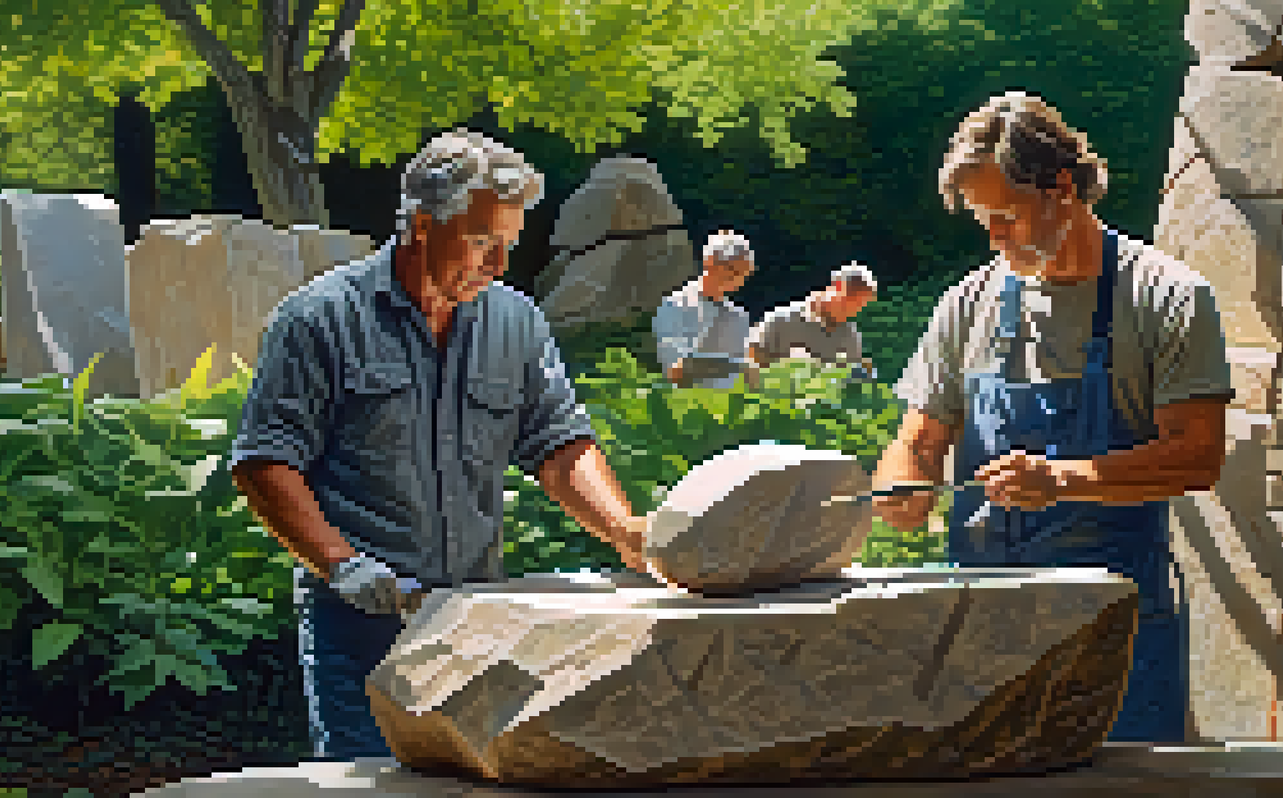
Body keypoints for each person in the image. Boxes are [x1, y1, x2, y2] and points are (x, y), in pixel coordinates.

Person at [229, 130, 651, 760]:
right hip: (362, 623)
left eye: (508, 243)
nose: (500, 264)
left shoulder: (517, 321)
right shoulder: (318, 319)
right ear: (422, 226)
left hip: (476, 616)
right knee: (371, 784)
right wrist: (343, 566)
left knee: (472, 779)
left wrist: (626, 533)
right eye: (483, 242)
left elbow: (558, 442)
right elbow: (267, 460)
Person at [870, 92, 1233, 743]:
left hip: (1115, 634)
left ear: (1062, 188)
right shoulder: (968, 303)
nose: (993, 235)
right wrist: (901, 485)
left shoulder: (1165, 296)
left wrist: (1063, 479)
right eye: (982, 218)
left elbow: (1196, 455)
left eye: (1005, 215)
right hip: (982, 634)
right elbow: (919, 441)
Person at [652, 230, 758, 389]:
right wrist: (734, 367)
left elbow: (747, 377)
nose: (740, 279)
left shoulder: (739, 316)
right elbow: (674, 370)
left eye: (745, 273)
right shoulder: (674, 305)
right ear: (710, 262)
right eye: (734, 270)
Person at [747, 262, 879, 378]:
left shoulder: (851, 335)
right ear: (837, 286)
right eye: (852, 300)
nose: (854, 310)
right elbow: (751, 366)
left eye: (860, 305)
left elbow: (849, 383)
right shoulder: (780, 319)